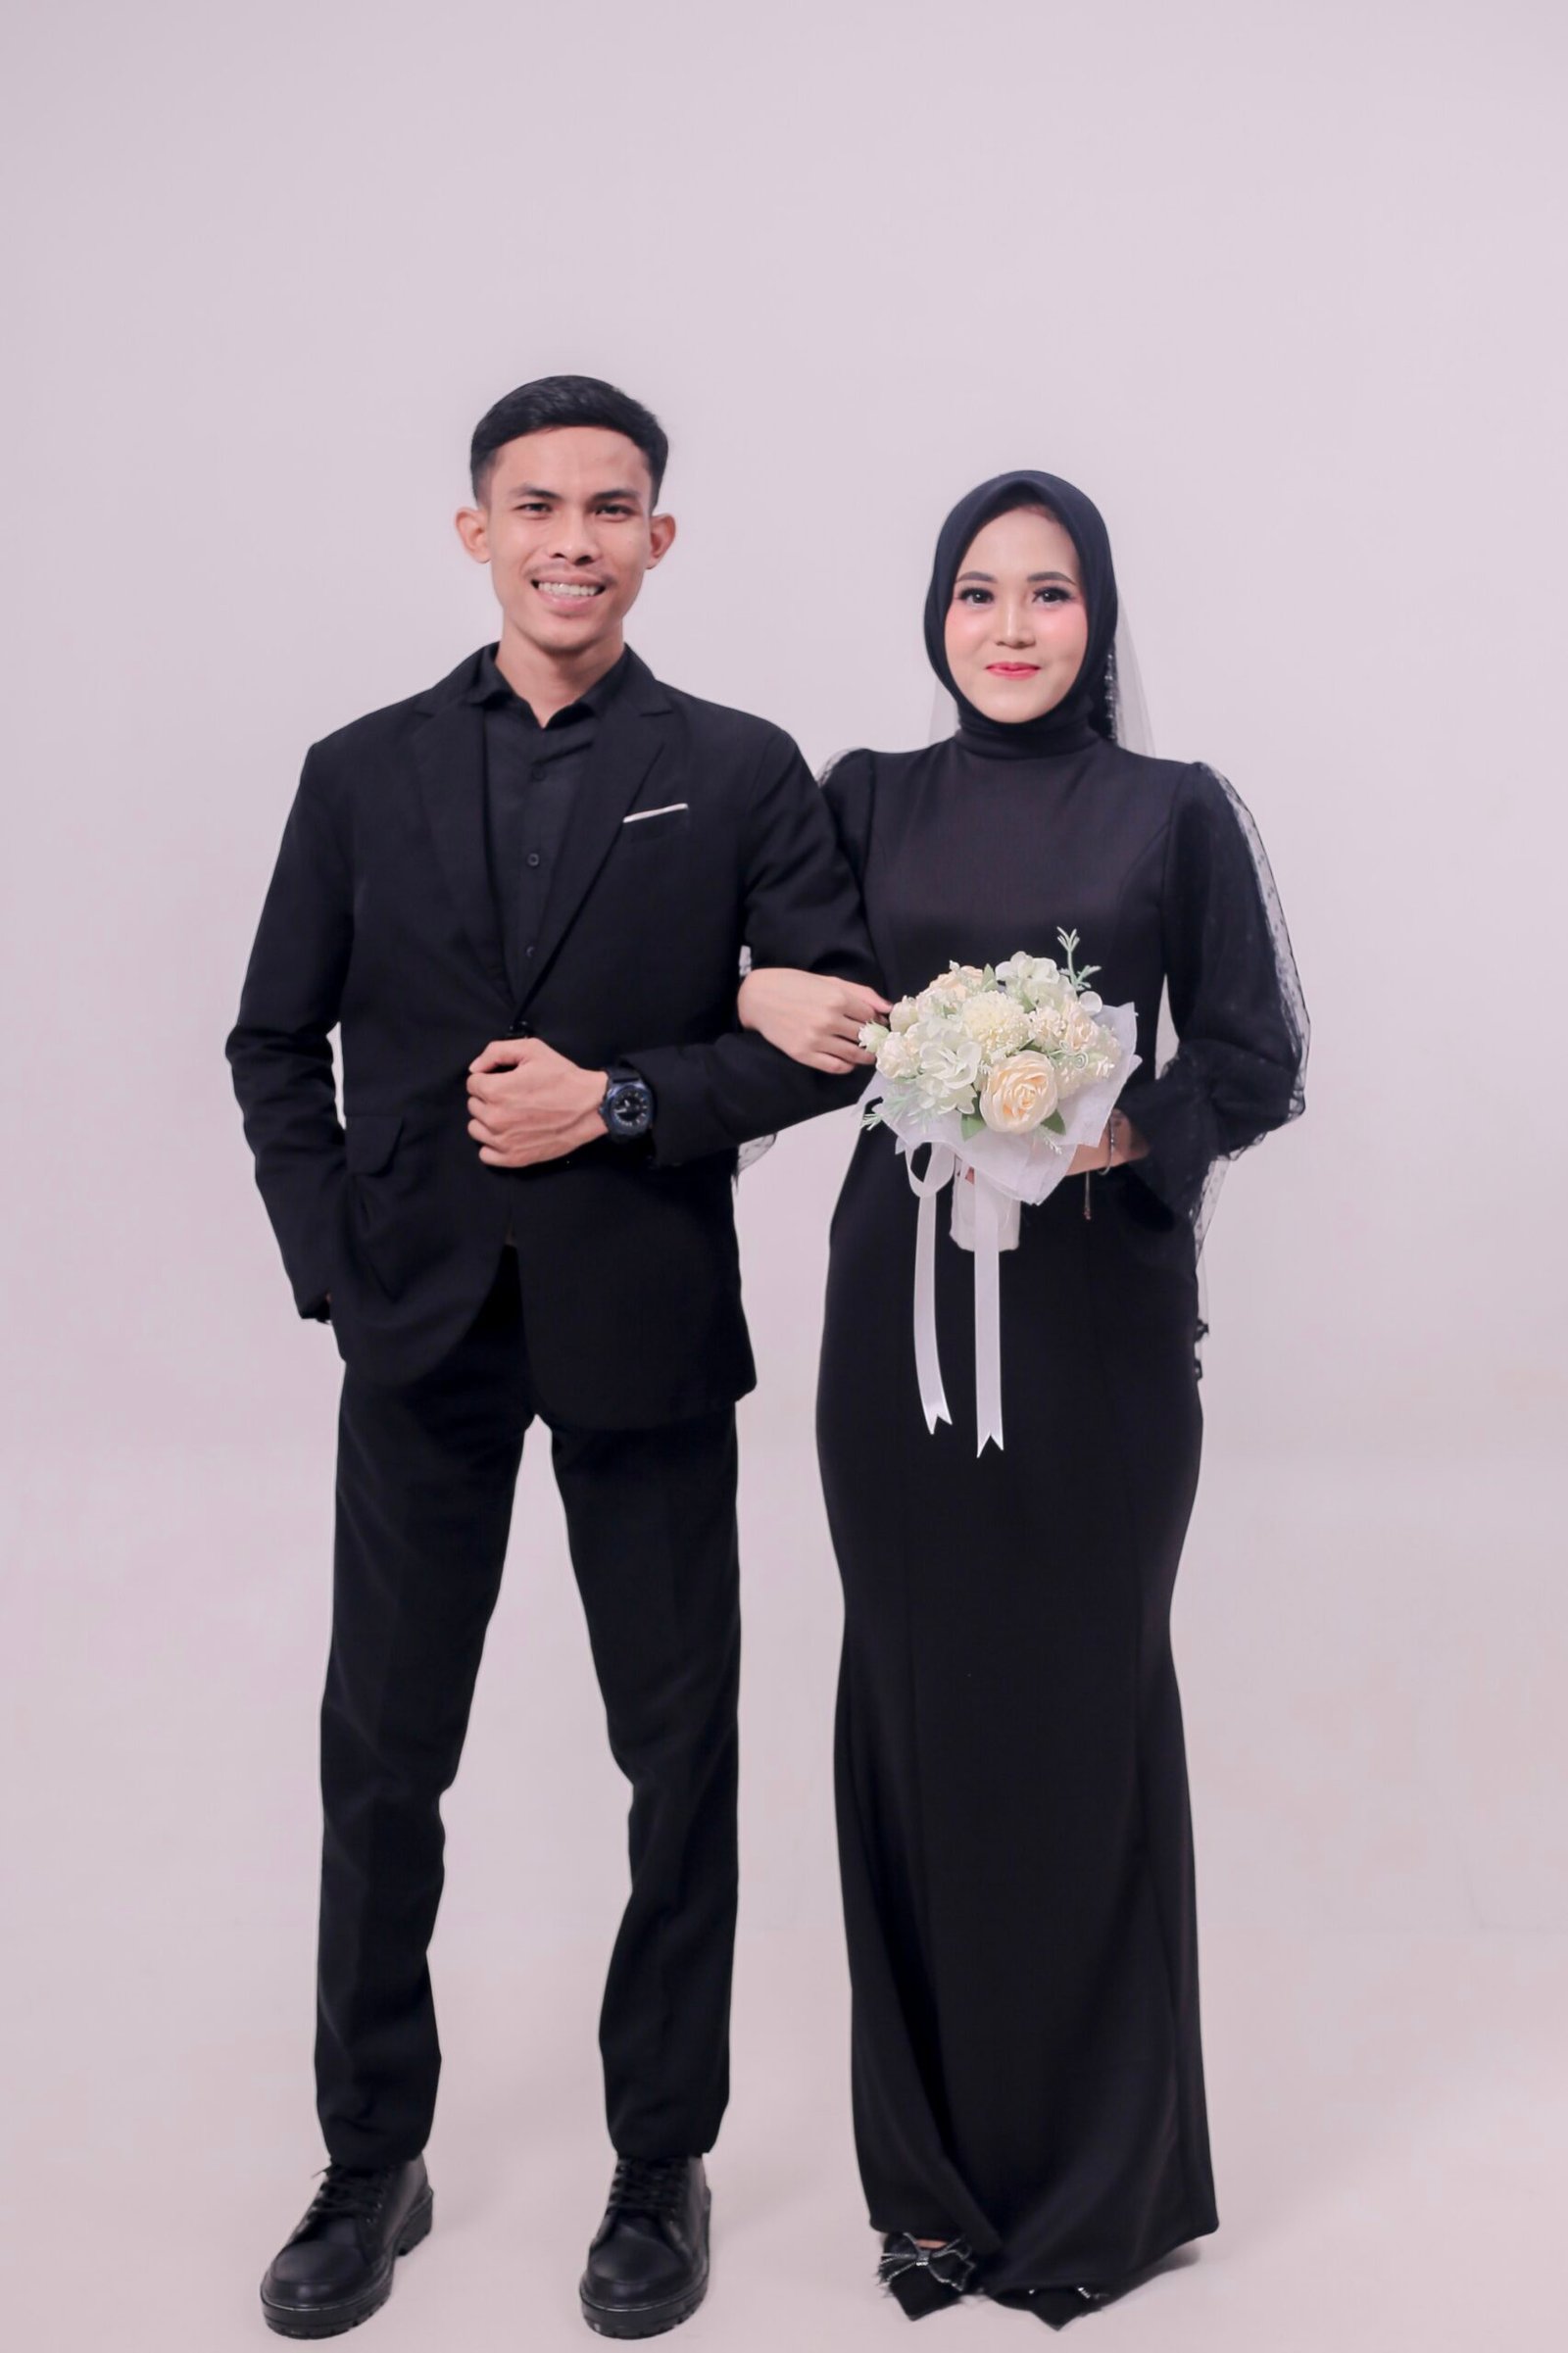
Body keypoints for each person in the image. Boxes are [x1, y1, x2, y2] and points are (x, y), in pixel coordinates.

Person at [226, 375, 881, 2340]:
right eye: (537, 506)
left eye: (610, 508)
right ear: (477, 531)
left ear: (657, 538)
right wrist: (337, 1264)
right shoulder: (358, 771)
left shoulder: (742, 769)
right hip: (418, 1328)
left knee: (676, 1759)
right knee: (380, 1757)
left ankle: (660, 2158)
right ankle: (370, 2156)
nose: (572, 540)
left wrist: (618, 1100)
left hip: (643, 1322)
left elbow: (832, 1033)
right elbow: (274, 1042)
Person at [738, 471, 1307, 2326]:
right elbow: (789, 1010)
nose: (1009, 624)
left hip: (1097, 1339)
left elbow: (1255, 1054)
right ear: (936, 613)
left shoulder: (1173, 809)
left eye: (1048, 592)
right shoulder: (863, 798)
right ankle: (928, 2186)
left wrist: (1122, 1126)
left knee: (1083, 1715)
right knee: (909, 1715)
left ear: (1099, 617)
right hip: (893, 1336)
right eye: (977, 591)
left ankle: (1101, 2183)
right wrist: (764, 1007)